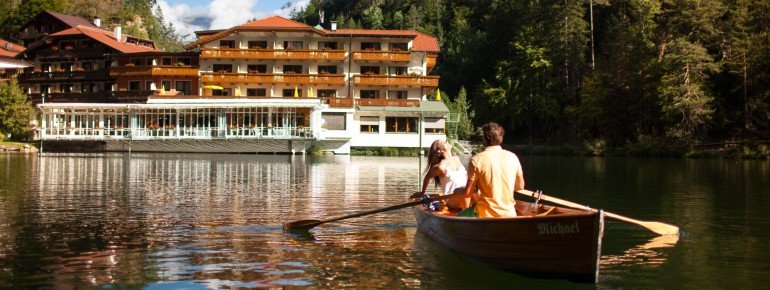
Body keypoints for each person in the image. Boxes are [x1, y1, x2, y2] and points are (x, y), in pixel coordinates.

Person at [460, 123, 525, 217]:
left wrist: (460, 192)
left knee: (457, 218)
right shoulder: (513, 157)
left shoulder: (476, 159)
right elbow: (520, 186)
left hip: (485, 214)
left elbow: (467, 193)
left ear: (486, 138)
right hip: (509, 213)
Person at [419, 139, 471, 211]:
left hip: (465, 193)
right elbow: (427, 177)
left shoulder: (457, 158)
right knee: (464, 192)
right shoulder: (440, 167)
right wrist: (422, 193)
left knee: (477, 189)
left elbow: (466, 177)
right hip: (451, 199)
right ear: (439, 151)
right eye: (443, 142)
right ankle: (468, 214)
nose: (446, 142)